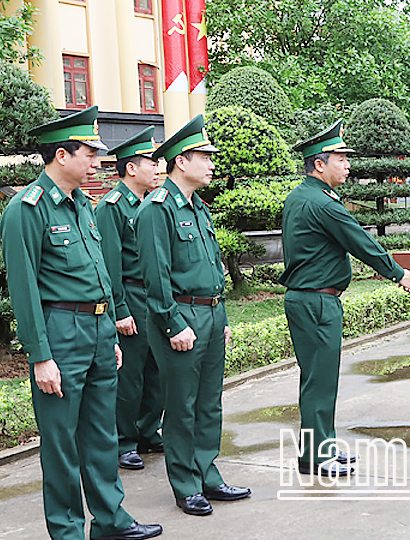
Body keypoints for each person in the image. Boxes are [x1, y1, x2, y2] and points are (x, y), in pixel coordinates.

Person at [1, 105, 162, 540]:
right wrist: (40, 356)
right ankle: (68, 530)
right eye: (89, 154)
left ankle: (111, 520)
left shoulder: (83, 207)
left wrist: (107, 329)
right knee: (61, 445)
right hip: (59, 333)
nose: (97, 162)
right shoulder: (27, 209)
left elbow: (99, 275)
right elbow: (24, 289)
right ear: (61, 156)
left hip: (95, 332)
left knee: (101, 437)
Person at [280, 120, 410, 477]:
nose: (348, 165)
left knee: (318, 380)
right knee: (319, 382)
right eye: (340, 158)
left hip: (310, 299)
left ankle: (320, 447)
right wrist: (400, 274)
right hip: (317, 302)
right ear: (318, 164)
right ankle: (315, 456)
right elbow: (360, 241)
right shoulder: (322, 203)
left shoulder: (303, 195)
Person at [136, 115, 251, 516]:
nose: (211, 163)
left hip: (211, 312)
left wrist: (220, 316)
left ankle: (208, 472)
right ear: (180, 161)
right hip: (181, 316)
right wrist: (172, 323)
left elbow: (210, 266)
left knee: (209, 401)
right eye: (204, 156)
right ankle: (185, 483)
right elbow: (155, 276)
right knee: (182, 404)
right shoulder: (157, 208)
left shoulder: (198, 208)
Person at [96, 127, 165, 471]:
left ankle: (149, 431)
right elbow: (110, 265)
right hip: (132, 295)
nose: (157, 168)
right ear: (131, 168)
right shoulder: (112, 207)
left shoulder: (153, 204)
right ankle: (124, 441)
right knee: (131, 375)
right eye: (150, 162)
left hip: (154, 296)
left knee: (157, 370)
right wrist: (119, 310)